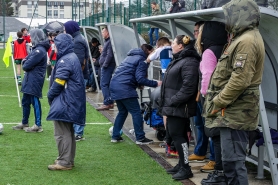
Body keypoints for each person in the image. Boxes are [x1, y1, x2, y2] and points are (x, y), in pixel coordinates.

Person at [204, 0, 265, 184]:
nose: (227, 20)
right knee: (230, 163)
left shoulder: (247, 40)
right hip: (232, 113)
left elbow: (240, 79)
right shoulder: (243, 37)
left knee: (233, 164)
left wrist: (218, 102)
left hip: (235, 113)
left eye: (230, 15)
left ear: (241, 16)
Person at [161, 35, 200, 180]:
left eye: (173, 43)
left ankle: (186, 168)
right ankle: (181, 164)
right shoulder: (180, 59)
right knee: (175, 135)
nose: (171, 45)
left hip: (179, 107)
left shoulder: (189, 61)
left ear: (181, 46)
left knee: (179, 136)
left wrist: (172, 100)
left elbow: (189, 87)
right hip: (174, 106)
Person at [194, 21, 228, 184]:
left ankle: (219, 172)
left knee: (214, 135)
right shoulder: (225, 48)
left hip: (212, 99)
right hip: (225, 98)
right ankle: (221, 170)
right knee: (222, 136)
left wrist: (204, 96)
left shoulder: (209, 52)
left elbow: (207, 75)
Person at [47, 33, 86, 171]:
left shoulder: (65, 60)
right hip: (70, 100)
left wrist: (50, 95)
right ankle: (67, 159)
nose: (54, 47)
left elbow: (59, 81)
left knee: (62, 132)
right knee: (67, 131)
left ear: (61, 45)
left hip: (66, 100)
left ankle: (64, 162)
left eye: (56, 45)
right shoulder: (71, 57)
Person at [110, 44, 162, 144]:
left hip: (114, 85)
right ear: (148, 51)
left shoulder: (130, 56)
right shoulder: (142, 60)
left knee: (122, 112)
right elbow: (140, 78)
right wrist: (156, 83)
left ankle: (115, 136)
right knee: (136, 112)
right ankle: (140, 137)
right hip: (125, 88)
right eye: (153, 53)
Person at [12, 29, 50, 132]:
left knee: (35, 101)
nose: (30, 38)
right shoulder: (37, 49)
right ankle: (25, 122)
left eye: (32, 36)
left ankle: (38, 125)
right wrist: (25, 60)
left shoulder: (39, 50)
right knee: (25, 101)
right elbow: (26, 61)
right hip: (30, 78)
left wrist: (25, 61)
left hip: (35, 79)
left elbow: (26, 65)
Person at [64, 20, 89, 141]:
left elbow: (80, 62)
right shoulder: (77, 38)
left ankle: (78, 132)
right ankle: (76, 130)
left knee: (77, 103)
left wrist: (75, 77)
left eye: (65, 28)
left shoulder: (78, 40)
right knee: (75, 102)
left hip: (79, 77)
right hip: (78, 77)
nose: (65, 31)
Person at [96, 27, 116, 110]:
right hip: (106, 66)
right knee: (105, 84)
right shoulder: (107, 41)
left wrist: (104, 65)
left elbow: (109, 55)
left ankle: (107, 103)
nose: (102, 34)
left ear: (108, 32)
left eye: (103, 32)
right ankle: (109, 102)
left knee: (104, 84)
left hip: (107, 66)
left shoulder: (110, 41)